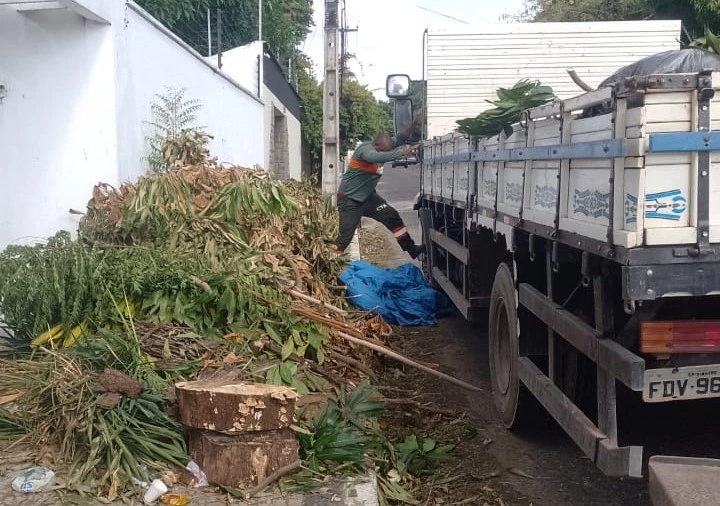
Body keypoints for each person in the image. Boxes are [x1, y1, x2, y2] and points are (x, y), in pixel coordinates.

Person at [334, 132, 424, 259]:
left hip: (368, 197)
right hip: (350, 199)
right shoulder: (365, 150)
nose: (384, 154)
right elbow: (374, 157)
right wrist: (401, 152)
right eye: (382, 151)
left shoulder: (383, 146)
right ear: (376, 145)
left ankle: (411, 248)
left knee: (391, 215)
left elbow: (399, 138)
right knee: (344, 239)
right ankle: (331, 261)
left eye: (387, 151)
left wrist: (413, 126)